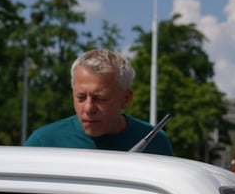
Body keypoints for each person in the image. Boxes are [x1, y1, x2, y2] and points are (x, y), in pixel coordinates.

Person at [25, 49, 173, 155]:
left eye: (100, 99)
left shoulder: (156, 143)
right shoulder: (43, 144)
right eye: (81, 97)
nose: (88, 108)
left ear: (126, 99)